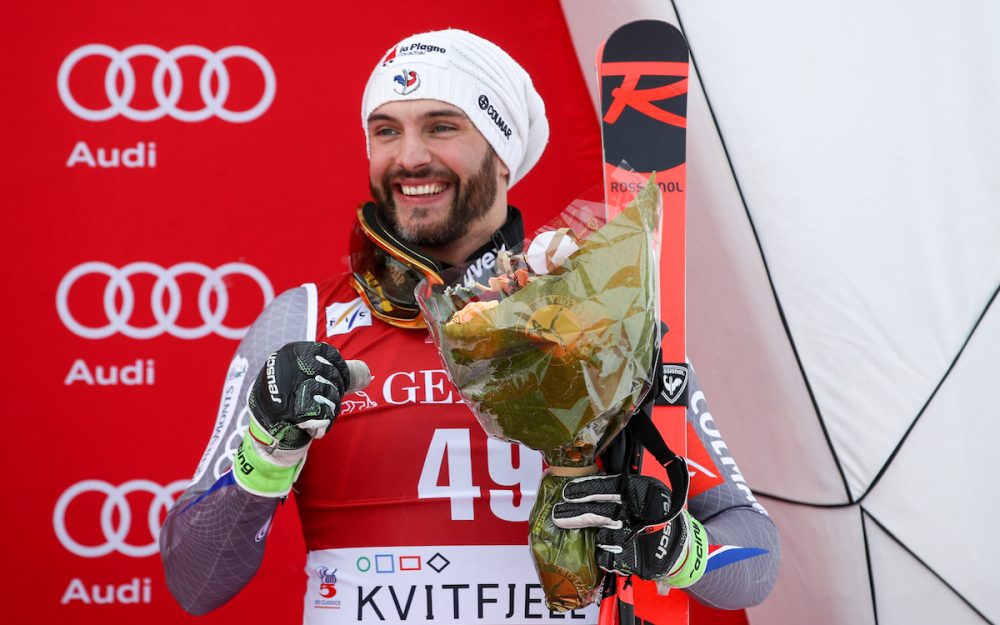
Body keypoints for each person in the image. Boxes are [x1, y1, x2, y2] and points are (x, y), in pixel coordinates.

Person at [160, 28, 779, 624]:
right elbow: (196, 580)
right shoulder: (307, 320)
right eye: (386, 131)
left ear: (502, 155)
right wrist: (266, 451)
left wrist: (678, 549)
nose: (409, 156)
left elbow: (755, 555)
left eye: (442, 126)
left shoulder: (604, 314)